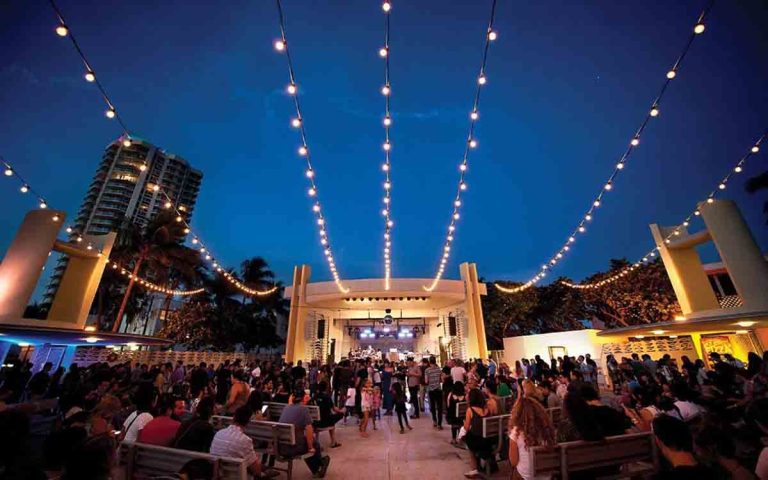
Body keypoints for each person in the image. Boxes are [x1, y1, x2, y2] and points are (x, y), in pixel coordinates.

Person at [210, 406, 277, 478]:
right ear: (248, 422)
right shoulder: (245, 440)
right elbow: (257, 471)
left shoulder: (219, 433)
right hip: (237, 476)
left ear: (233, 418)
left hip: (218, 474)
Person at [278, 386, 331, 478]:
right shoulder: (303, 409)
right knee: (314, 443)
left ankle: (319, 466)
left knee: (306, 441)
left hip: (281, 447)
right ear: (303, 398)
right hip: (293, 448)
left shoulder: (286, 408)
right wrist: (310, 447)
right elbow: (309, 429)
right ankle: (320, 465)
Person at [508, 397, 556, 480]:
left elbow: (513, 462)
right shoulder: (546, 429)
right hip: (547, 473)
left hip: (527, 475)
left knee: (514, 472)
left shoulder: (516, 432)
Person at [463, 388, 493, 478]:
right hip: (488, 439)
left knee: (467, 437)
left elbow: (466, 428)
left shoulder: (470, 410)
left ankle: (474, 469)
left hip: (477, 441)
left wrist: (464, 423)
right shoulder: (487, 408)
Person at [313, 381, 343, 448]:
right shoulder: (327, 397)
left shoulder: (315, 396)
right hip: (326, 421)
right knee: (338, 416)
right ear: (326, 388)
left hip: (316, 422)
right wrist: (341, 411)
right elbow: (334, 409)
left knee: (330, 417)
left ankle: (317, 442)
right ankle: (333, 442)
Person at [424, 356, 443, 429]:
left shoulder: (427, 370)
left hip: (431, 390)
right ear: (435, 361)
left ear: (429, 362)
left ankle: (434, 421)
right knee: (439, 407)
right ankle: (439, 424)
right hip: (438, 390)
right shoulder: (439, 369)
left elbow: (426, 381)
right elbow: (441, 380)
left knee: (433, 406)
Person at [447, 381, 466, 445]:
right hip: (462, 416)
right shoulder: (465, 396)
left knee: (454, 425)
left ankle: (454, 439)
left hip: (453, 416)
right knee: (460, 425)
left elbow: (448, 405)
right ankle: (460, 439)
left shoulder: (451, 395)